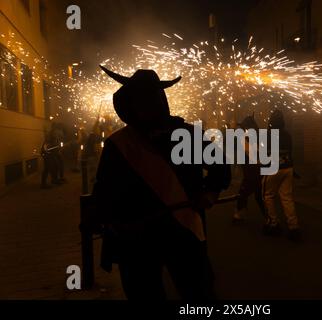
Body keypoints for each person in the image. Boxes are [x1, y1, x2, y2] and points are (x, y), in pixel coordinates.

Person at [92, 66, 231, 301]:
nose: (146, 104)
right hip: (137, 237)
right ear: (129, 102)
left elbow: (220, 168)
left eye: (150, 97)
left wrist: (211, 193)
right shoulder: (119, 144)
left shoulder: (187, 135)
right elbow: (105, 189)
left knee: (198, 293)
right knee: (144, 294)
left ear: (160, 99)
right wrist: (105, 219)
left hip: (183, 228)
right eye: (139, 98)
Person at [262, 110, 300, 241]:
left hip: (273, 168)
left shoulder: (267, 135)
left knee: (268, 195)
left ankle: (273, 224)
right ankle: (293, 227)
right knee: (287, 197)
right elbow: (290, 153)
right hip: (287, 168)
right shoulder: (287, 135)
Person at [232, 114, 266, 223]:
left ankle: (239, 214)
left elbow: (249, 153)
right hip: (256, 170)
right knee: (257, 195)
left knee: (244, 193)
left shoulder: (248, 137)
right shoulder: (257, 136)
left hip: (252, 171)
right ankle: (269, 217)